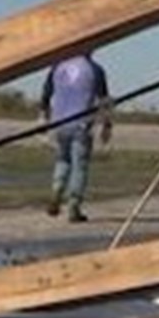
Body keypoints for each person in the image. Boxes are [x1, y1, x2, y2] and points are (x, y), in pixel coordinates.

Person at [39, 52, 113, 222]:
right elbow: (104, 100)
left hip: (60, 122)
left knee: (62, 159)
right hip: (82, 124)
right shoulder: (95, 69)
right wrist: (107, 125)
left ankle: (56, 190)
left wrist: (43, 115)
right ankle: (74, 205)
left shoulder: (57, 66)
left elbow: (46, 93)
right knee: (80, 165)